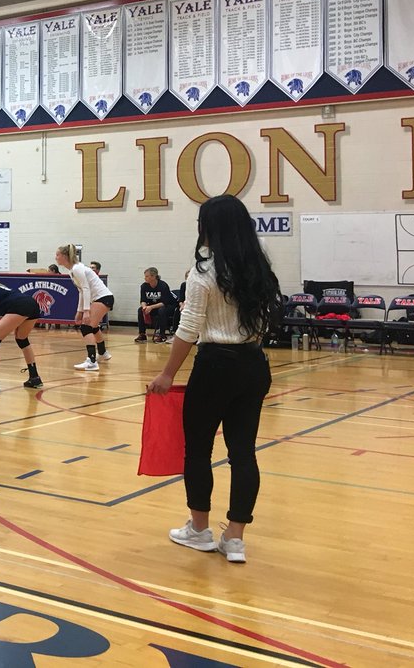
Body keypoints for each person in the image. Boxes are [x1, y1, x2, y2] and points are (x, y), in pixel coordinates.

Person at [149, 194, 280, 565]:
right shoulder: (260, 262)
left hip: (214, 367)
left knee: (199, 449)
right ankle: (235, 538)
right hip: (254, 365)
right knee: (243, 452)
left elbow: (188, 329)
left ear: (209, 228)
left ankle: (199, 529)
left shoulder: (202, 274)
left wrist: (166, 373)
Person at [56, 244, 114, 371]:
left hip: (103, 298)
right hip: (101, 298)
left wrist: (86, 311)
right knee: (93, 327)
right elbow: (82, 291)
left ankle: (92, 361)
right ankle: (103, 353)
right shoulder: (72, 270)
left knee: (86, 327)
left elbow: (86, 289)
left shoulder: (77, 268)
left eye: (58, 255)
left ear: (65, 256)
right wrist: (80, 311)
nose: (56, 257)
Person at [137, 267, 178, 343]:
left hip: (168, 306)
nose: (145, 278)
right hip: (153, 306)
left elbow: (164, 303)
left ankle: (162, 335)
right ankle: (142, 334)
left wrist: (151, 307)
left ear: (153, 276)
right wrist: (144, 307)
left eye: (147, 276)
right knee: (140, 310)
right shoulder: (144, 286)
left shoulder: (163, 285)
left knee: (161, 310)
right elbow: (143, 300)